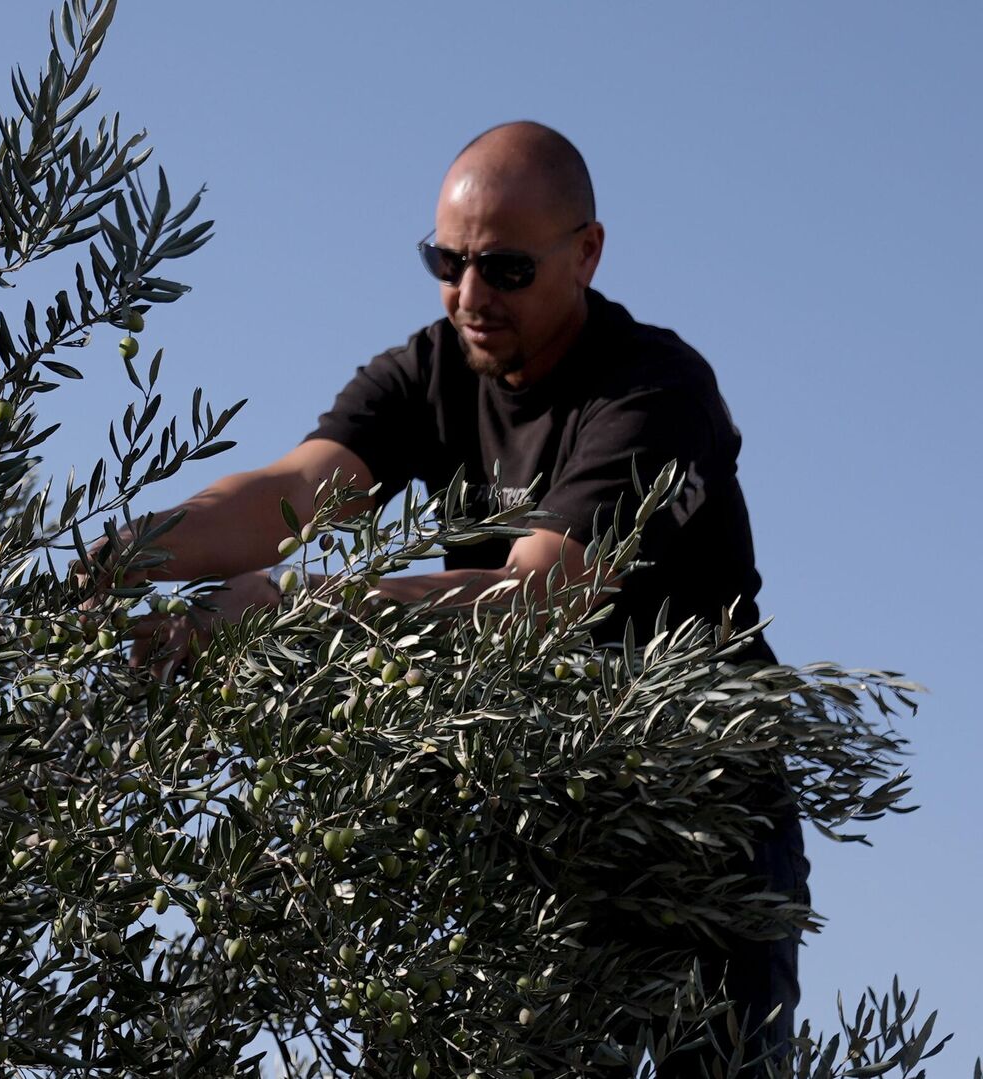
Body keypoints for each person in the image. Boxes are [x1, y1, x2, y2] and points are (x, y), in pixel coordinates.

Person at [85, 121, 805, 1075]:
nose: (470, 297)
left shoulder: (654, 393)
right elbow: (301, 492)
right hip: (531, 818)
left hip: (699, 818)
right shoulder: (428, 372)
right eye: (447, 261)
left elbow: (538, 600)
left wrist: (290, 612)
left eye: (505, 269)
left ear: (586, 253)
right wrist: (124, 556)